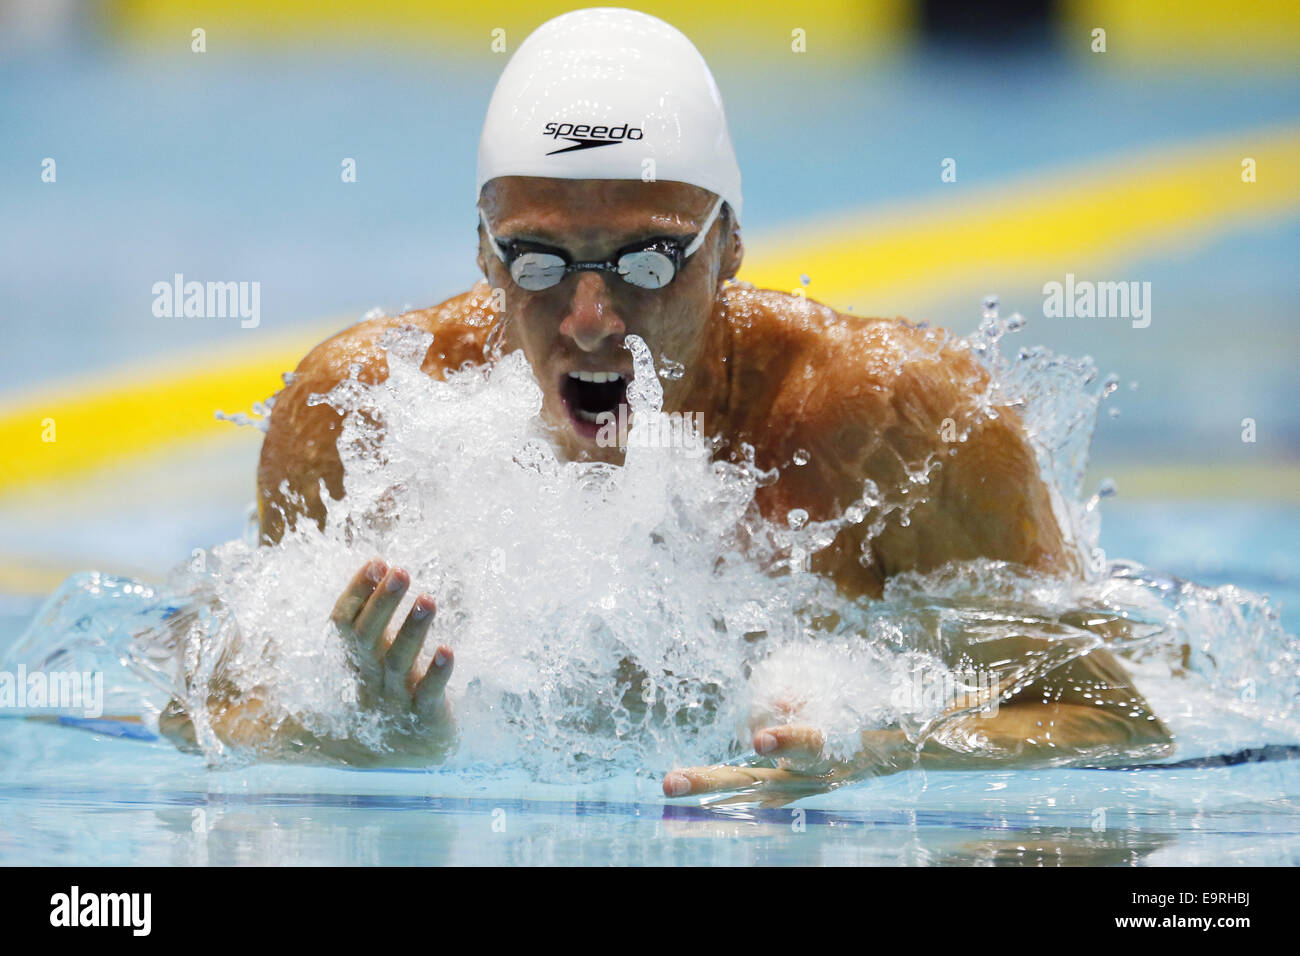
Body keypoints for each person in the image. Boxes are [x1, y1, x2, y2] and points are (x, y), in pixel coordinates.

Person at [160, 7, 1172, 794]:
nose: (592, 317)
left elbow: (1113, 722)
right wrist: (372, 737)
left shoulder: (896, 425)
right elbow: (199, 710)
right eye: (538, 259)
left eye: (648, 259)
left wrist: (880, 750)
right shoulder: (364, 411)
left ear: (729, 243)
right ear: (481, 249)